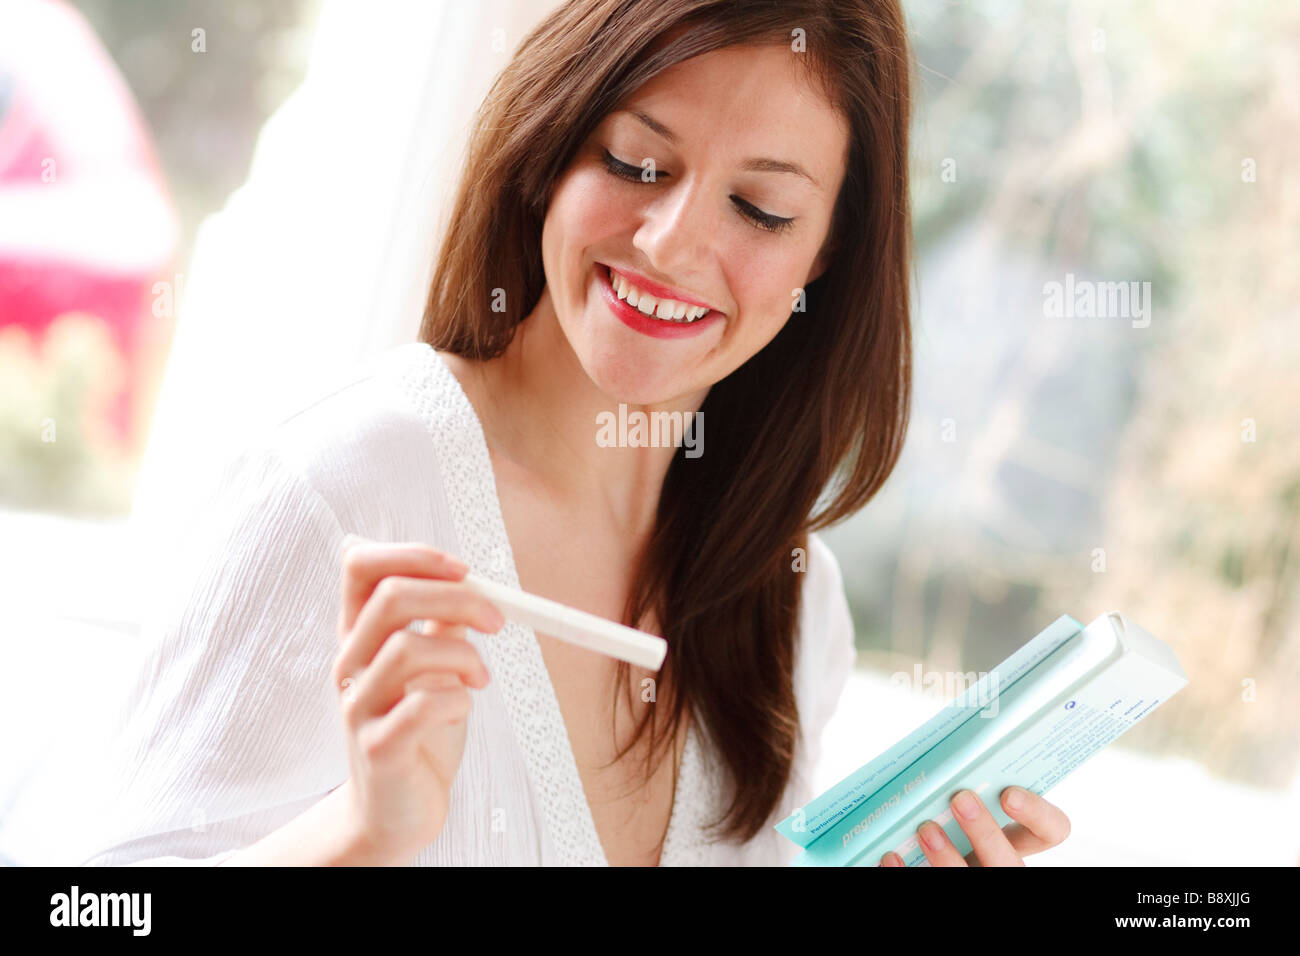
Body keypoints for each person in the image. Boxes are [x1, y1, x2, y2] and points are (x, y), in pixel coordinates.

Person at [63, 0, 1069, 867]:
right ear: (552, 146)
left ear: (825, 256)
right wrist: (359, 836)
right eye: (635, 161)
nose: (672, 242)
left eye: (761, 211)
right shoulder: (348, 489)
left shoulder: (798, 607)